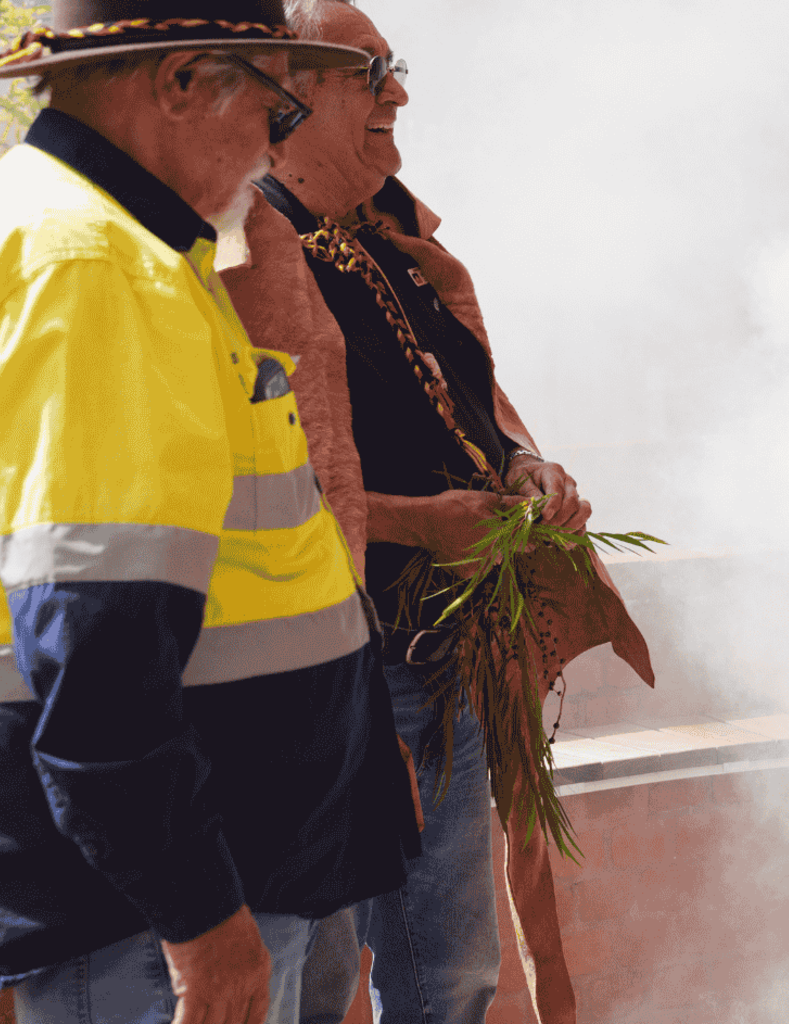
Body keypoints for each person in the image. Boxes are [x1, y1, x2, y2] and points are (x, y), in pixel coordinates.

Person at [0, 5, 416, 1024]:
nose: (276, 146)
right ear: (182, 83)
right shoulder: (87, 266)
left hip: (209, 873)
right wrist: (200, 922)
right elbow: (98, 653)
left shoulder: (116, 247)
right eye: (276, 106)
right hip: (149, 908)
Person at [218, 3, 653, 1023]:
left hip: (441, 658)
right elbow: (244, 492)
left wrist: (528, 469)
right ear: (293, 88)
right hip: (325, 665)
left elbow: (470, 410)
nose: (399, 95)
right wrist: (417, 523)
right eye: (373, 72)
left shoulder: (397, 243)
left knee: (451, 969)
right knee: (313, 979)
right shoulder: (243, 257)